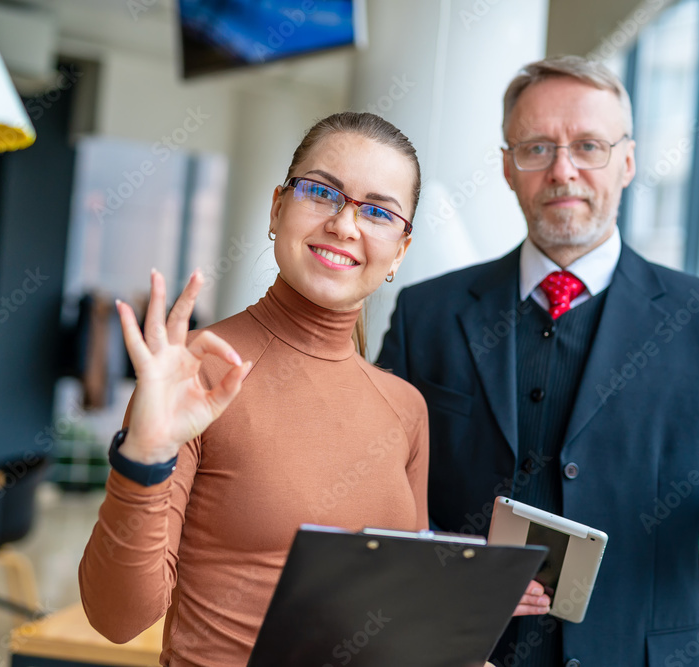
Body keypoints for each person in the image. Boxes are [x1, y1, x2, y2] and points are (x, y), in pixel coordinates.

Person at [377, 56, 699, 667]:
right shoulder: (425, 314)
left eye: (589, 145)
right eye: (537, 147)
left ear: (629, 162)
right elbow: (371, 499)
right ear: (508, 166)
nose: (563, 170)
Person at [79, 112, 433, 666]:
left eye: (379, 212)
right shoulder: (193, 376)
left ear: (401, 250)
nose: (345, 225)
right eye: (321, 192)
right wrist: (144, 456)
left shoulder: (406, 410)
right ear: (277, 208)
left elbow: (403, 615)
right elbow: (117, 618)